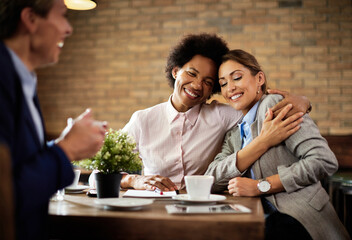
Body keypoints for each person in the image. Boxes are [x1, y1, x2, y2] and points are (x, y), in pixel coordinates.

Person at [120, 33, 310, 191]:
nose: (196, 85)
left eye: (208, 82)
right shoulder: (142, 120)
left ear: (213, 90)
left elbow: (257, 103)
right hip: (153, 208)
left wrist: (304, 102)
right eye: (192, 74)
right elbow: (98, 175)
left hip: (205, 206)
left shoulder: (222, 115)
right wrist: (135, 180)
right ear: (175, 71)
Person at [205, 49, 350, 239]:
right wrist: (262, 143)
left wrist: (260, 186)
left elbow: (324, 160)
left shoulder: (275, 107)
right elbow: (211, 178)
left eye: (237, 77)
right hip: (262, 217)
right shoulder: (235, 132)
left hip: (299, 217)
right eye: (223, 83)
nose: (229, 87)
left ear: (260, 79)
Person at [0, 1, 107, 239]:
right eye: (62, 16)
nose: (68, 29)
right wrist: (66, 150)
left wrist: (64, 143)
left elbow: (18, 164)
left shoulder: (23, 78)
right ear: (30, 19)